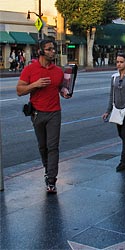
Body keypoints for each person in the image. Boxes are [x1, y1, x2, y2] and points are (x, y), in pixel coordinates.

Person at [16, 39, 70, 193]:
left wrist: (64, 93)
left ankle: (52, 180)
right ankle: (48, 171)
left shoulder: (58, 71)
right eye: (49, 49)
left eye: (53, 49)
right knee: (43, 147)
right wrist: (35, 84)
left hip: (54, 113)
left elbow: (61, 88)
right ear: (40, 51)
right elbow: (19, 90)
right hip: (37, 113)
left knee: (53, 147)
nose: (53, 52)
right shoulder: (30, 69)